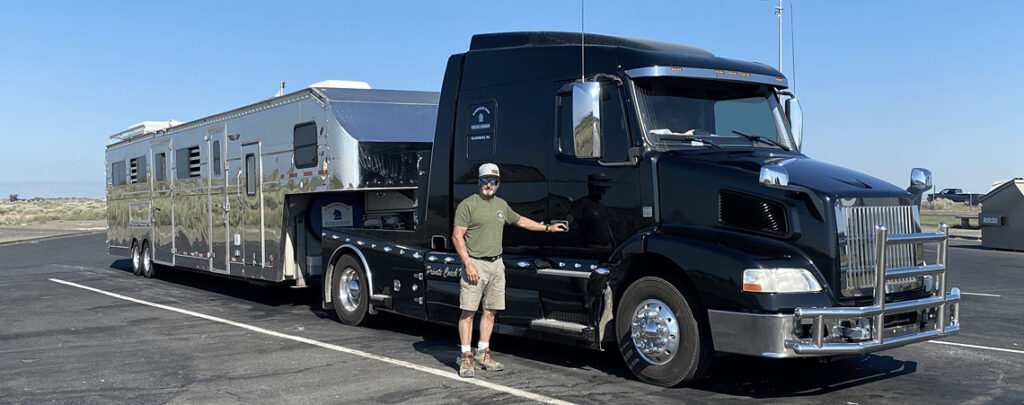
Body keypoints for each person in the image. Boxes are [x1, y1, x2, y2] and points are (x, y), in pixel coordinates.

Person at [452, 163, 567, 378]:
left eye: (493, 181)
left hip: (497, 265)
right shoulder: (468, 205)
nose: (489, 184)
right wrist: (468, 263)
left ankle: (483, 353)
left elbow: (521, 221)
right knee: (468, 311)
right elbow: (457, 236)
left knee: (491, 310)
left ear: (498, 184)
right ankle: (466, 357)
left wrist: (547, 228)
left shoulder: (501, 206)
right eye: (485, 180)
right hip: (475, 263)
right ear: (479, 182)